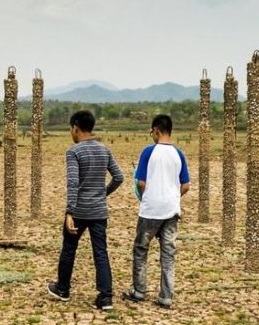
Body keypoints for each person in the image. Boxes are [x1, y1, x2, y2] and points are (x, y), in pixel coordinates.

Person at [48, 110, 124, 310]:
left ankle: (62, 289)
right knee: (100, 252)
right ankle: (105, 297)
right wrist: (102, 194)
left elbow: (73, 183)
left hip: (80, 211)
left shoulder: (74, 152)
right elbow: (119, 177)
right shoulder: (104, 149)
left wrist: (69, 212)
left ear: (75, 127)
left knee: (69, 249)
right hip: (99, 211)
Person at [123, 114, 190, 309]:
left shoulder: (148, 152)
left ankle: (139, 290)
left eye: (152, 131)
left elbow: (141, 182)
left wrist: (147, 196)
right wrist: (172, 197)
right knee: (168, 253)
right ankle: (166, 296)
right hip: (171, 211)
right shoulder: (179, 154)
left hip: (151, 211)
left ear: (156, 130)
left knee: (141, 249)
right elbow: (185, 185)